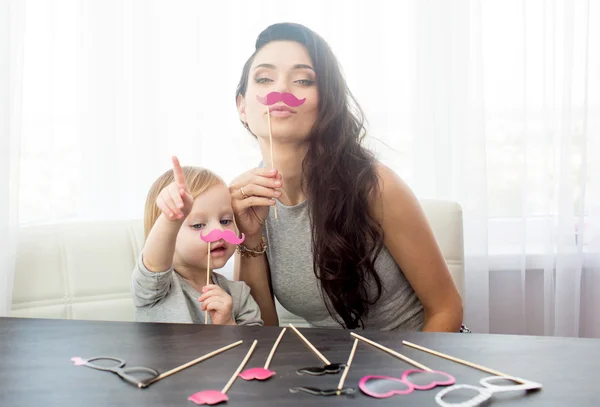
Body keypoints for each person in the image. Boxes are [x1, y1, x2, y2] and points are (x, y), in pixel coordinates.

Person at [229, 22, 464, 331]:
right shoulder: (249, 200)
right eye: (264, 78)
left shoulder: (373, 185)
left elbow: (446, 309)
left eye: (302, 80)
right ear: (242, 107)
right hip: (338, 372)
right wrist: (250, 236)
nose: (281, 91)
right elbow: (261, 330)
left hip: (417, 362)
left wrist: (408, 378)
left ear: (327, 103)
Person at [131, 156, 263, 326]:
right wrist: (171, 218)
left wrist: (228, 324)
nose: (219, 232)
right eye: (198, 225)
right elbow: (153, 262)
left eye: (225, 221)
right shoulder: (155, 287)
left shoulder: (238, 295)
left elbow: (254, 347)